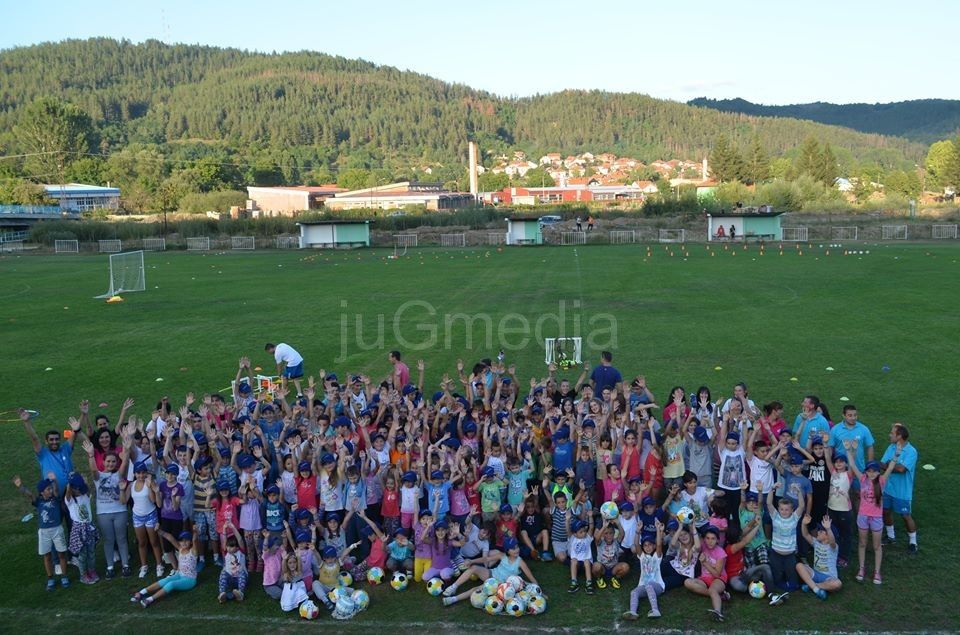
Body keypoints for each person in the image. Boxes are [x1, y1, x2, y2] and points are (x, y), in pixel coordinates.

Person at [82, 437, 132, 578]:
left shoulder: (119, 474)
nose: (111, 464)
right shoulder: (98, 476)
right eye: (108, 461)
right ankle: (110, 566)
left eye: (113, 461)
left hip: (120, 511)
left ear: (117, 463)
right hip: (103, 513)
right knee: (109, 540)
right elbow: (93, 469)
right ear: (103, 462)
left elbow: (126, 463)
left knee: (121, 539)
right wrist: (91, 455)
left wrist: (126, 450)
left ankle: (125, 565)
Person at [13, 475, 70, 591]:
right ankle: (50, 578)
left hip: (57, 529)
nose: (50, 490)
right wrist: (21, 487)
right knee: (47, 555)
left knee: (61, 554)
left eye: (50, 488)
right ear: (42, 492)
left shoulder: (55, 499)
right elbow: (30, 495)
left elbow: (56, 489)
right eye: (47, 489)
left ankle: (64, 576)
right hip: (44, 532)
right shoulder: (38, 502)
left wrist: (54, 480)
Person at [441, 537, 539, 604]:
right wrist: (471, 561)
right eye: (513, 548)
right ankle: (453, 587)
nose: (516, 550)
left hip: (499, 584)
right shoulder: (502, 555)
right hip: (491, 574)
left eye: (517, 547)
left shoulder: (520, 562)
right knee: (473, 568)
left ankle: (453, 599)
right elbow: (486, 559)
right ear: (507, 551)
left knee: (476, 589)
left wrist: (539, 591)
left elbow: (530, 577)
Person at [849, 453, 897, 584]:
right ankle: (861, 569)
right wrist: (849, 450)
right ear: (866, 472)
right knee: (862, 543)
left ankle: (877, 572)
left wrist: (896, 454)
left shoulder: (881, 481)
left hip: (876, 518)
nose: (871, 474)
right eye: (869, 471)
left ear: (878, 472)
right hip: (863, 516)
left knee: (876, 546)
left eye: (874, 471)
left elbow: (891, 468)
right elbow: (852, 465)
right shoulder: (862, 479)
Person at [130, 526, 199, 607]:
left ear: (190, 542)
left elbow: (195, 540)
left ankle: (149, 599)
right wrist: (159, 531)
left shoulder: (193, 552)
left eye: (186, 540)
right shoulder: (180, 549)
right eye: (182, 541)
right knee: (164, 580)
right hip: (180, 575)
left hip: (190, 580)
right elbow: (170, 537)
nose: (184, 543)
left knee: (171, 584)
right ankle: (141, 593)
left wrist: (195, 532)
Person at [880, 423, 918, 553]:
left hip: (902, 491)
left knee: (905, 515)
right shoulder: (891, 447)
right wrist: (891, 466)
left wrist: (890, 466)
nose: (890, 435)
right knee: (885, 511)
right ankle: (891, 536)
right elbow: (882, 464)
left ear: (899, 436)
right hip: (888, 488)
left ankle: (913, 542)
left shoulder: (911, 451)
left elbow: (902, 469)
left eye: (892, 433)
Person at [20, 408, 76, 491]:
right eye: (51, 440)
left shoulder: (65, 449)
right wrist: (26, 422)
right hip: (52, 496)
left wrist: (83, 414)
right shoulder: (42, 453)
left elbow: (75, 432)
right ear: (46, 441)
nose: (54, 442)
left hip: (71, 494)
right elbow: (34, 438)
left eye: (56, 439)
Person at [622, 518, 665, 619]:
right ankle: (633, 612)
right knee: (634, 592)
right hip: (644, 585)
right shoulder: (642, 557)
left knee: (649, 586)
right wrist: (637, 531)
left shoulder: (656, 556)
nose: (648, 547)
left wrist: (658, 530)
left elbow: (659, 544)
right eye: (645, 545)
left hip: (657, 586)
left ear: (653, 546)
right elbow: (636, 544)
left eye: (650, 545)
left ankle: (655, 610)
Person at [684, 525, 728, 622]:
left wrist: (705, 562)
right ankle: (718, 596)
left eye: (713, 538)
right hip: (704, 579)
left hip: (718, 579)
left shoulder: (721, 553)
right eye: (707, 538)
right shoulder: (703, 546)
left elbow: (717, 574)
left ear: (717, 540)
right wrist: (692, 524)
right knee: (687, 582)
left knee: (713, 589)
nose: (710, 541)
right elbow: (694, 535)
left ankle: (718, 612)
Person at [796, 515, 842, 600]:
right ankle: (816, 589)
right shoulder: (816, 542)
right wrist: (803, 524)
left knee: (837, 584)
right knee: (799, 565)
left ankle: (811, 585)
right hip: (815, 573)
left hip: (828, 577)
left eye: (821, 531)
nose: (818, 531)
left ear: (827, 536)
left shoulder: (833, 547)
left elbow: (832, 541)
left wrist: (828, 529)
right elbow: (805, 534)